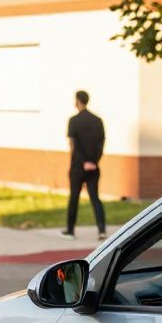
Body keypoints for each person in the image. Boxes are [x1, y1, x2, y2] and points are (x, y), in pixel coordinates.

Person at [64, 90, 106, 240]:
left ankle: (70, 230)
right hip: (94, 167)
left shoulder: (73, 121)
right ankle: (102, 230)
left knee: (74, 197)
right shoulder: (98, 120)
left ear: (78, 101)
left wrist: (82, 162)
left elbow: (72, 145)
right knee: (95, 198)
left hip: (77, 167)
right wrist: (94, 162)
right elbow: (101, 144)